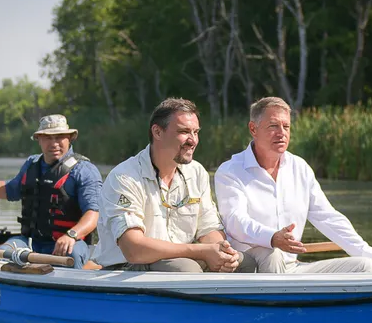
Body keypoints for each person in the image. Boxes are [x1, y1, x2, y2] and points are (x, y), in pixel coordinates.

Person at [215, 96, 372, 273]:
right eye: (273, 126)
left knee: (366, 266)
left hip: (293, 268)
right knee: (271, 253)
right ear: (253, 129)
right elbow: (235, 222)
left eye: (286, 126)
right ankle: (277, 307)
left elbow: (328, 218)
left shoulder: (300, 168)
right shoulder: (230, 171)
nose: (281, 133)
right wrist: (272, 237)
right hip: (250, 269)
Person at [93, 98, 256, 273]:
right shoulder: (124, 177)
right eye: (184, 131)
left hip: (181, 260)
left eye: (196, 132)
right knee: (186, 269)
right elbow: (133, 249)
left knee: (245, 262)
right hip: (128, 267)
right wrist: (201, 252)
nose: (193, 140)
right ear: (157, 132)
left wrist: (221, 251)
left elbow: (209, 229)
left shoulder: (196, 172)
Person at [0, 114, 101, 268]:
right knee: (0, 257)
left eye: (59, 137)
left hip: (70, 242)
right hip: (30, 242)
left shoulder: (85, 170)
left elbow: (93, 215)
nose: (54, 143)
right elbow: (7, 190)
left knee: (70, 257)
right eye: (48, 137)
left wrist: (71, 235)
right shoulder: (31, 164)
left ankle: (81, 274)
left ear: (70, 138)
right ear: (39, 139)